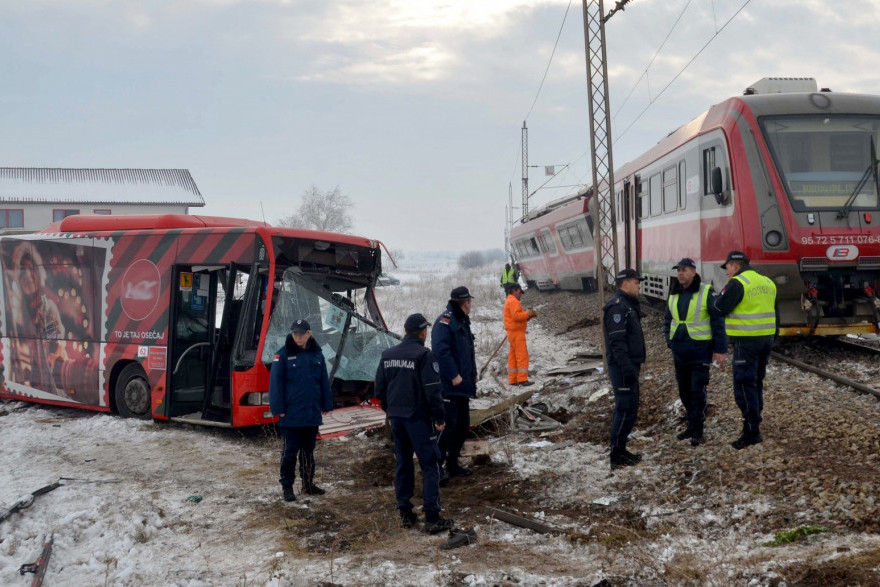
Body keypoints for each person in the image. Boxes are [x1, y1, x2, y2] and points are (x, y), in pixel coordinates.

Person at [374, 313, 454, 534]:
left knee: (403, 463)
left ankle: (405, 513)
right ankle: (432, 517)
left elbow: (379, 389)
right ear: (422, 331)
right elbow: (433, 391)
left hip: (397, 420)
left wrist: (390, 411)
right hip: (419, 420)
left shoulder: (388, 355)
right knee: (430, 464)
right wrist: (440, 418)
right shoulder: (424, 355)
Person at [712, 251, 777, 450]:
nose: (726, 272)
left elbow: (718, 308)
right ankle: (755, 420)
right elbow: (776, 312)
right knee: (756, 381)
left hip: (746, 341)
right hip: (766, 340)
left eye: (727, 268)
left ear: (735, 265)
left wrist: (720, 296)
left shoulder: (738, 283)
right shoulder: (767, 282)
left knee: (743, 385)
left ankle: (751, 431)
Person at [663, 258, 727, 446]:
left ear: (693, 272)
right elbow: (667, 320)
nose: (680, 273)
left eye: (684, 270)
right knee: (684, 392)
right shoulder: (674, 293)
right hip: (680, 352)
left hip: (699, 351)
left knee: (697, 392)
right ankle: (691, 426)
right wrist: (669, 341)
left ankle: (698, 431)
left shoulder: (706, 292)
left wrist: (719, 349)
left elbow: (717, 321)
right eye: (678, 270)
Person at [269, 319, 333, 502]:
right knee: (290, 452)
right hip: (291, 414)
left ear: (309, 334)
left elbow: (323, 381)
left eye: (301, 333)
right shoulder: (282, 355)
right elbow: (275, 384)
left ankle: (308, 484)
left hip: (311, 413)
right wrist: (278, 408)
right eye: (295, 333)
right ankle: (287, 487)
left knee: (308, 451)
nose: (297, 337)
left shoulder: (317, 354)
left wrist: (327, 404)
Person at [431, 286, 477, 483]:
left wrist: (473, 375)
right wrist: (453, 375)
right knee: (447, 428)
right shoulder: (445, 322)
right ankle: (437, 468)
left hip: (463, 386)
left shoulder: (462, 321)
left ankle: (452, 463)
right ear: (464, 303)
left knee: (462, 427)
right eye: (469, 302)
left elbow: (468, 352)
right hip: (449, 386)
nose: (470, 305)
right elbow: (440, 352)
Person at [602, 268, 646, 469]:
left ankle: (620, 450)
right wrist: (627, 368)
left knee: (631, 408)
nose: (639, 286)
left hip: (629, 365)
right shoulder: (618, 307)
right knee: (625, 408)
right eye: (636, 282)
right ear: (626, 283)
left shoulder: (627, 305)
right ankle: (617, 454)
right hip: (622, 367)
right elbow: (617, 342)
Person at [503, 283, 537, 386]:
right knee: (522, 355)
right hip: (517, 333)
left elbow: (515, 317)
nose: (521, 294)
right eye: (519, 292)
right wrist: (528, 313)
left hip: (512, 332)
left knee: (513, 357)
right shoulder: (513, 301)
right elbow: (516, 316)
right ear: (514, 290)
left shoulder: (509, 300)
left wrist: (527, 317)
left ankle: (513, 379)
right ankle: (522, 379)